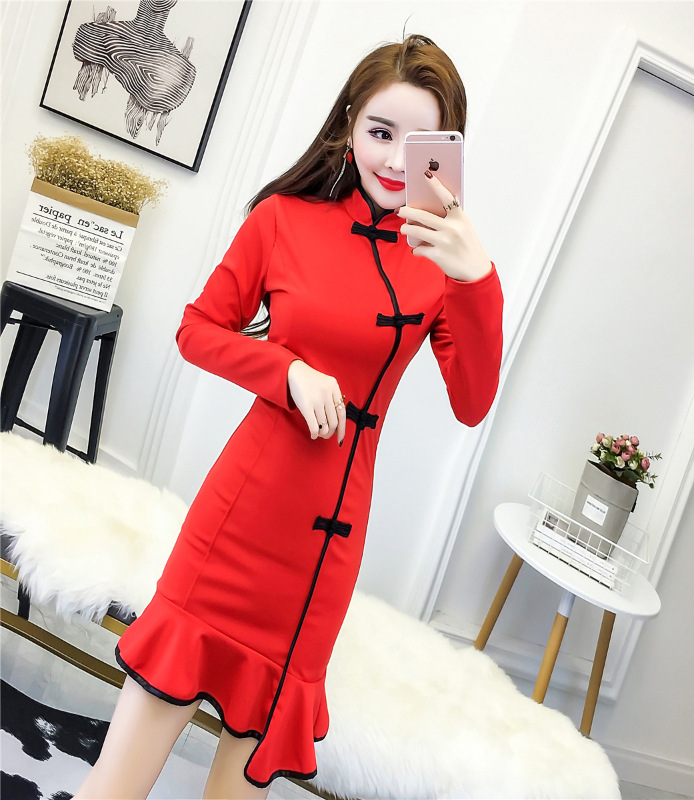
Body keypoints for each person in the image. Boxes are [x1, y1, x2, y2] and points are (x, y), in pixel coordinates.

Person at [75, 33, 503, 799]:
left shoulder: (443, 265)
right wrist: (287, 371)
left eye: (420, 144)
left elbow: (472, 404)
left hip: (320, 562)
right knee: (117, 784)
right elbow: (197, 329)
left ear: (446, 153)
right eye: (380, 132)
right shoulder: (284, 219)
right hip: (234, 530)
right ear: (348, 125)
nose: (395, 160)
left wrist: (478, 281)